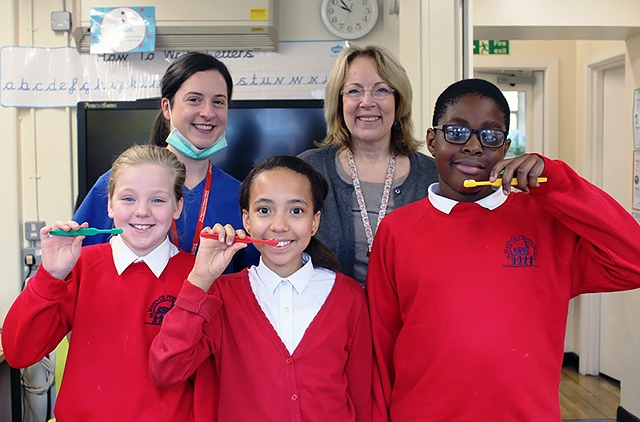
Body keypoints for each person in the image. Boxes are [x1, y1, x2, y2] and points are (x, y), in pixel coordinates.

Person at [366, 78, 640, 421]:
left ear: (505, 147)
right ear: (432, 141)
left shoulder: (545, 222)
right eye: (456, 132)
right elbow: (381, 345)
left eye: (490, 136)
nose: (474, 146)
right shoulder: (397, 230)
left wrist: (557, 183)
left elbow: (634, 260)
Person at [149, 155, 372, 421]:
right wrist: (200, 279)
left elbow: (362, 398)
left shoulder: (348, 297)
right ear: (246, 220)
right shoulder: (222, 295)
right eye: (264, 211)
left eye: (296, 211)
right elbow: (167, 369)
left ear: (314, 221)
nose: (279, 226)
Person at [2, 145, 199, 421]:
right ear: (108, 204)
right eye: (128, 199)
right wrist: (50, 276)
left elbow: (210, 383)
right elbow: (18, 352)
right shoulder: (79, 266)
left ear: (177, 206)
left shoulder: (198, 277)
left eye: (157, 200)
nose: (142, 211)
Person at [73, 51, 258, 272]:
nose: (208, 112)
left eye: (218, 102)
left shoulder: (240, 197)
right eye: (194, 100)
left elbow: (251, 281)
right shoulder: (120, 182)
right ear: (166, 108)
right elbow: (76, 266)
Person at [299, 45, 438, 286]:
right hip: (330, 319)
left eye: (381, 89)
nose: (367, 102)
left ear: (399, 100)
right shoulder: (307, 171)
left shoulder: (433, 177)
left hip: (410, 320)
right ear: (339, 101)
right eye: (354, 91)